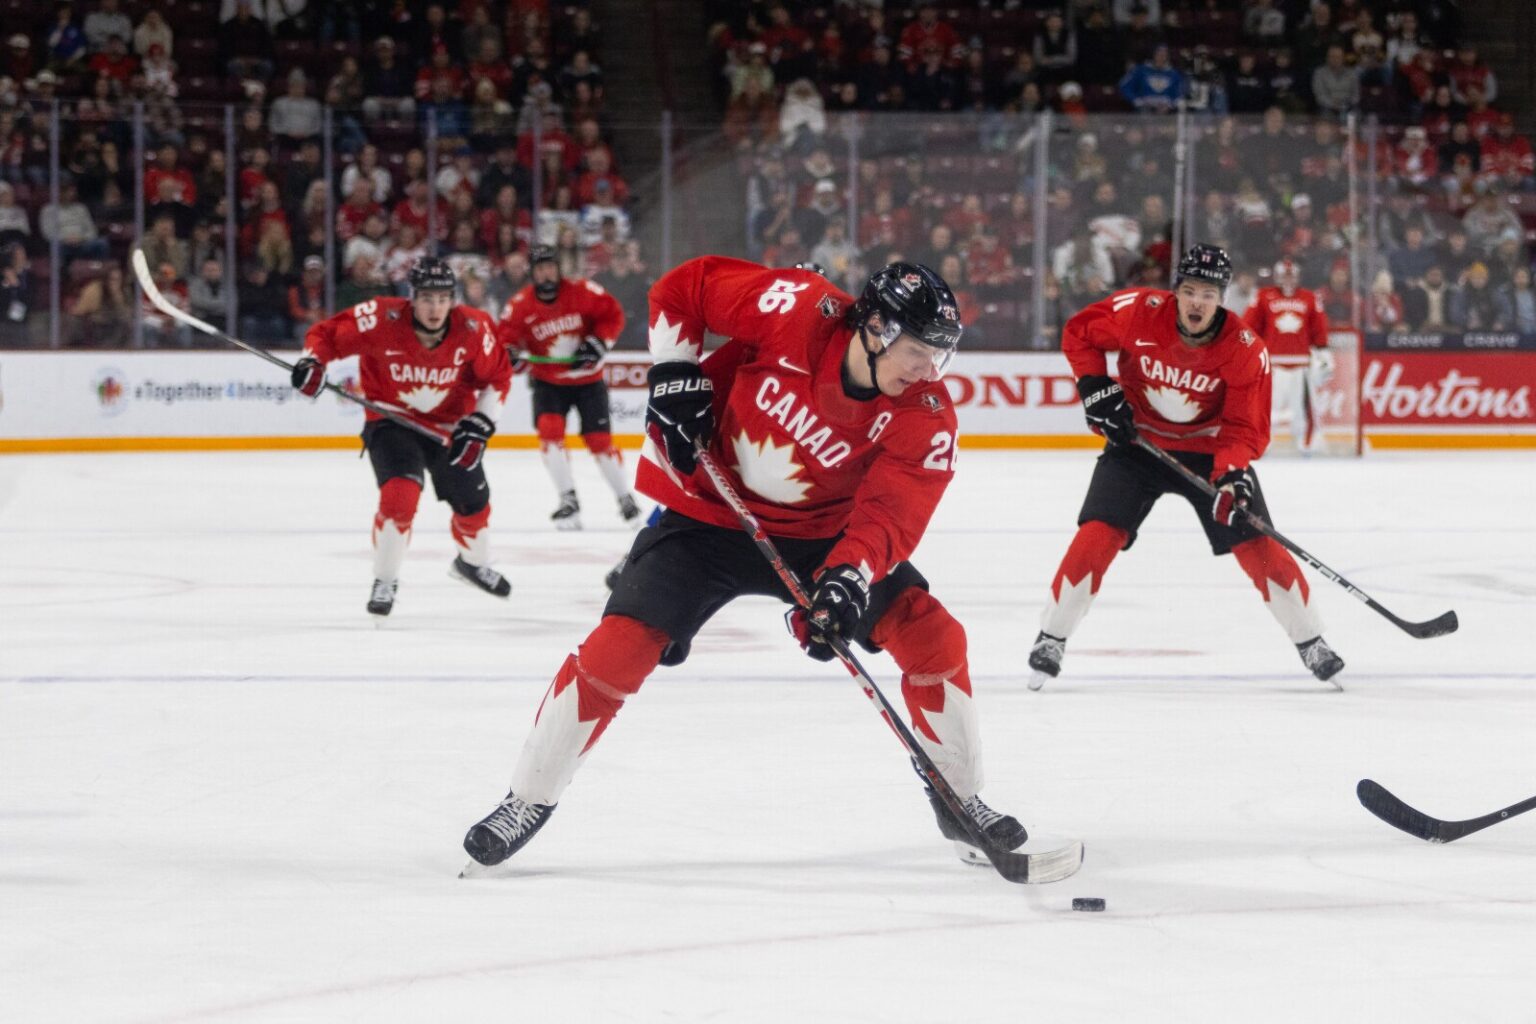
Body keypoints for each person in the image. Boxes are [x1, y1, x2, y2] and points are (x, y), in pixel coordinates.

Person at [461, 258, 1033, 870]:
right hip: (710, 514)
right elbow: (682, 288)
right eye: (919, 351)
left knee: (934, 637)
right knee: (618, 647)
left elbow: (892, 514)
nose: (928, 371)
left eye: (940, 356)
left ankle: (959, 800)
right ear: (875, 329)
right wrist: (675, 371)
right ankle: (526, 800)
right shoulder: (796, 308)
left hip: (823, 538)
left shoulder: (926, 416)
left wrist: (847, 579)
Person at [1027, 244, 1345, 690]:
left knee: (1256, 543)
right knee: (1097, 533)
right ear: (1176, 291)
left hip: (1209, 454)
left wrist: (1233, 474)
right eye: (1190, 290)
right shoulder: (1138, 310)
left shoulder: (1245, 349)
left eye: (1209, 294)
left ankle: (1312, 641)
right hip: (1137, 446)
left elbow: (1243, 427)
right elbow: (1079, 333)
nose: (1198, 302)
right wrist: (1096, 386)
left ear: (1223, 299)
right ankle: (1051, 637)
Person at [291, 256, 514, 616]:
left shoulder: (474, 328)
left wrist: (482, 424)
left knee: (474, 502)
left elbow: (498, 378)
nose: (435, 307)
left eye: (443, 299)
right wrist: (311, 363)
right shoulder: (380, 317)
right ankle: (385, 578)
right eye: (427, 298)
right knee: (400, 497)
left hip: (450, 428)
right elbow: (326, 336)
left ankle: (472, 564)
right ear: (412, 297)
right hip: (391, 422)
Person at [495, 244, 639, 529]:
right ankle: (567, 499)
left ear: (558, 268)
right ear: (532, 273)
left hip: (589, 382)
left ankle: (625, 498)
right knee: (550, 434)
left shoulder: (583, 291)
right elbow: (506, 339)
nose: (546, 274)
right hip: (549, 383)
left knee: (599, 441)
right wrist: (511, 355)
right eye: (540, 269)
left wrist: (598, 343)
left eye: (550, 267)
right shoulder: (520, 305)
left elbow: (613, 315)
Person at [1244, 259, 1333, 453]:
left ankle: (1306, 444)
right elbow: (1250, 325)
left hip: (1301, 364)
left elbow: (1319, 328)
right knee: (1267, 407)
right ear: (1277, 277)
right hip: (1272, 364)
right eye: (1284, 276)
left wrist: (1323, 351)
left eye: (1291, 276)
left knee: (1304, 409)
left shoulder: (1309, 298)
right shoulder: (1263, 296)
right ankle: (1261, 442)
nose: (1288, 280)